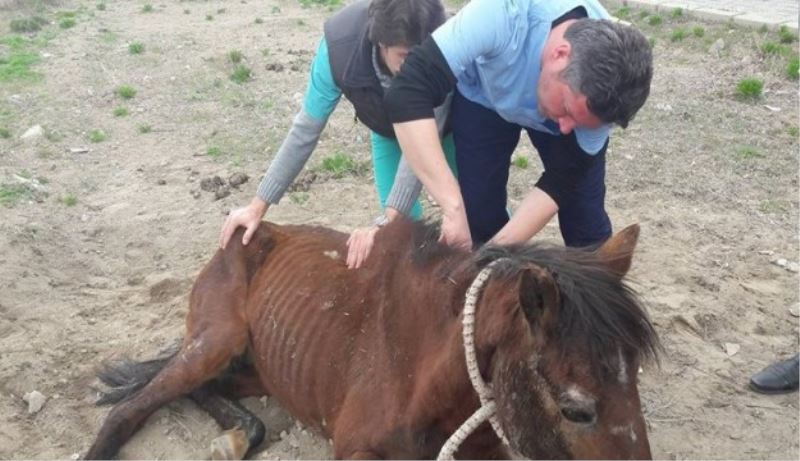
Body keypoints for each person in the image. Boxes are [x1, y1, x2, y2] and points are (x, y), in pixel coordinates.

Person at [383, 0, 653, 250]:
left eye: (583, 123)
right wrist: (453, 208)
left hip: (547, 97)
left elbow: (561, 180)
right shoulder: (503, 14)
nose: (566, 128)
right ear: (560, 54)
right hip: (485, 97)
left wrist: (495, 252)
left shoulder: (604, 99)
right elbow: (407, 91)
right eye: (569, 110)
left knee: (586, 222)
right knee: (479, 208)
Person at [219, 0, 457, 267]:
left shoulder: (444, 47)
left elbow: (423, 147)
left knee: (477, 214)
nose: (416, 66)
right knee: (400, 235)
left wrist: (387, 220)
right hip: (386, 129)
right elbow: (305, 131)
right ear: (381, 42)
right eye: (404, 56)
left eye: (420, 55)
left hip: (444, 131)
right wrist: (257, 206)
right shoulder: (338, 50)